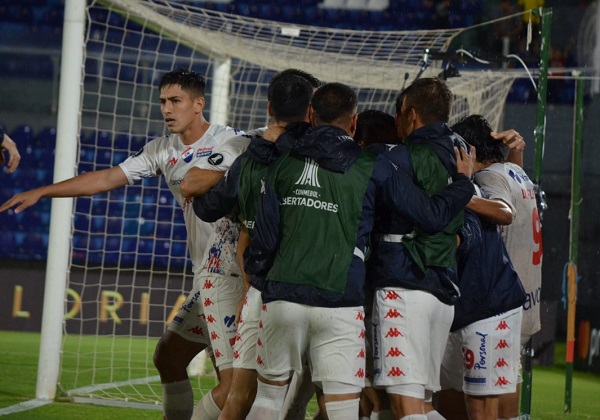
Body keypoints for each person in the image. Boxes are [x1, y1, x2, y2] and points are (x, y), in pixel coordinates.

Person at [0, 69, 250, 420]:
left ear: (198, 104)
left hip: (234, 275)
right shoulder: (162, 150)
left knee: (234, 385)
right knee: (169, 357)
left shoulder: (233, 142)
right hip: (206, 276)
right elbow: (106, 178)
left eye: (175, 101)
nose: (167, 109)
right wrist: (43, 191)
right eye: (162, 101)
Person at [243, 82, 475, 420]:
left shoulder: (282, 162)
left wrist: (263, 279)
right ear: (353, 122)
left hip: (283, 295)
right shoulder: (372, 163)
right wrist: (464, 184)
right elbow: (430, 215)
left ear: (311, 115)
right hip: (341, 299)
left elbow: (263, 238)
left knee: (267, 399)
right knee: (343, 409)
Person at [192, 72, 316, 419]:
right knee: (271, 391)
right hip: (300, 282)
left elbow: (204, 203)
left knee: (252, 391)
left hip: (260, 282)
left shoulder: (252, 156)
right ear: (311, 110)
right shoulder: (321, 155)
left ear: (270, 107)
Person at [368, 77, 471, 420]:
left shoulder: (399, 157)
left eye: (398, 113)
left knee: (405, 404)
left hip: (403, 285)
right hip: (441, 291)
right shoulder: (461, 156)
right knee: (423, 404)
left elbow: (428, 214)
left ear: (411, 115)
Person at [452, 115, 542, 420]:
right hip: (523, 298)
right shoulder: (516, 173)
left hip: (498, 300)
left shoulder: (487, 177)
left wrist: (462, 193)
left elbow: (505, 211)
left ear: (469, 151)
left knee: (475, 401)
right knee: (506, 385)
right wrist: (516, 152)